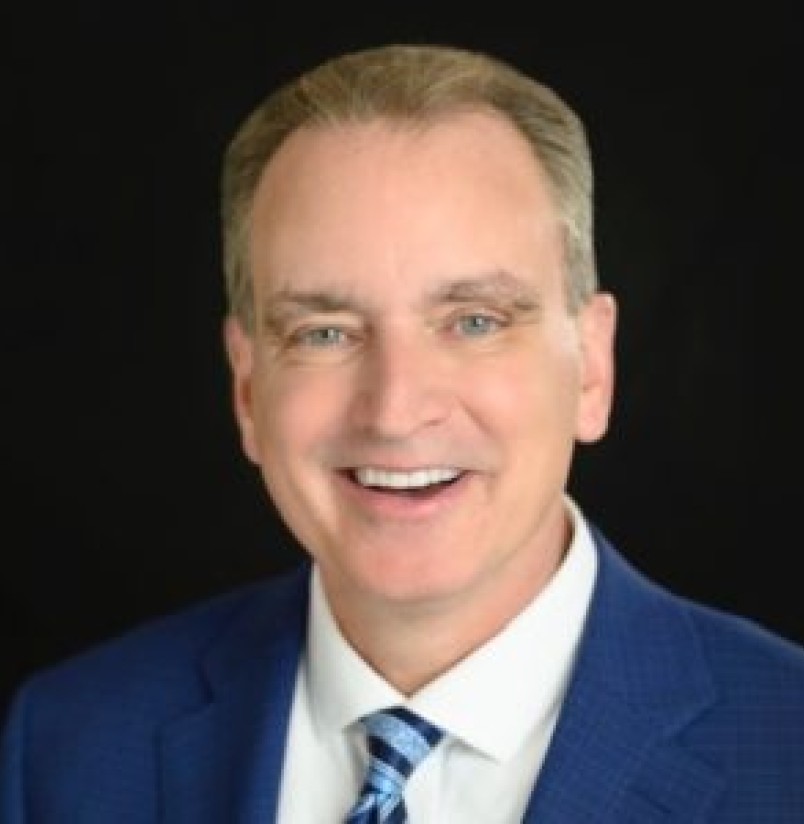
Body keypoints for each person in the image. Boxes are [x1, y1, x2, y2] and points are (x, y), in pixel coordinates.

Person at [2, 42, 803, 823]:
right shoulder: (69, 747)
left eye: (475, 321)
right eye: (324, 332)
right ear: (247, 388)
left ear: (591, 368)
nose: (394, 410)